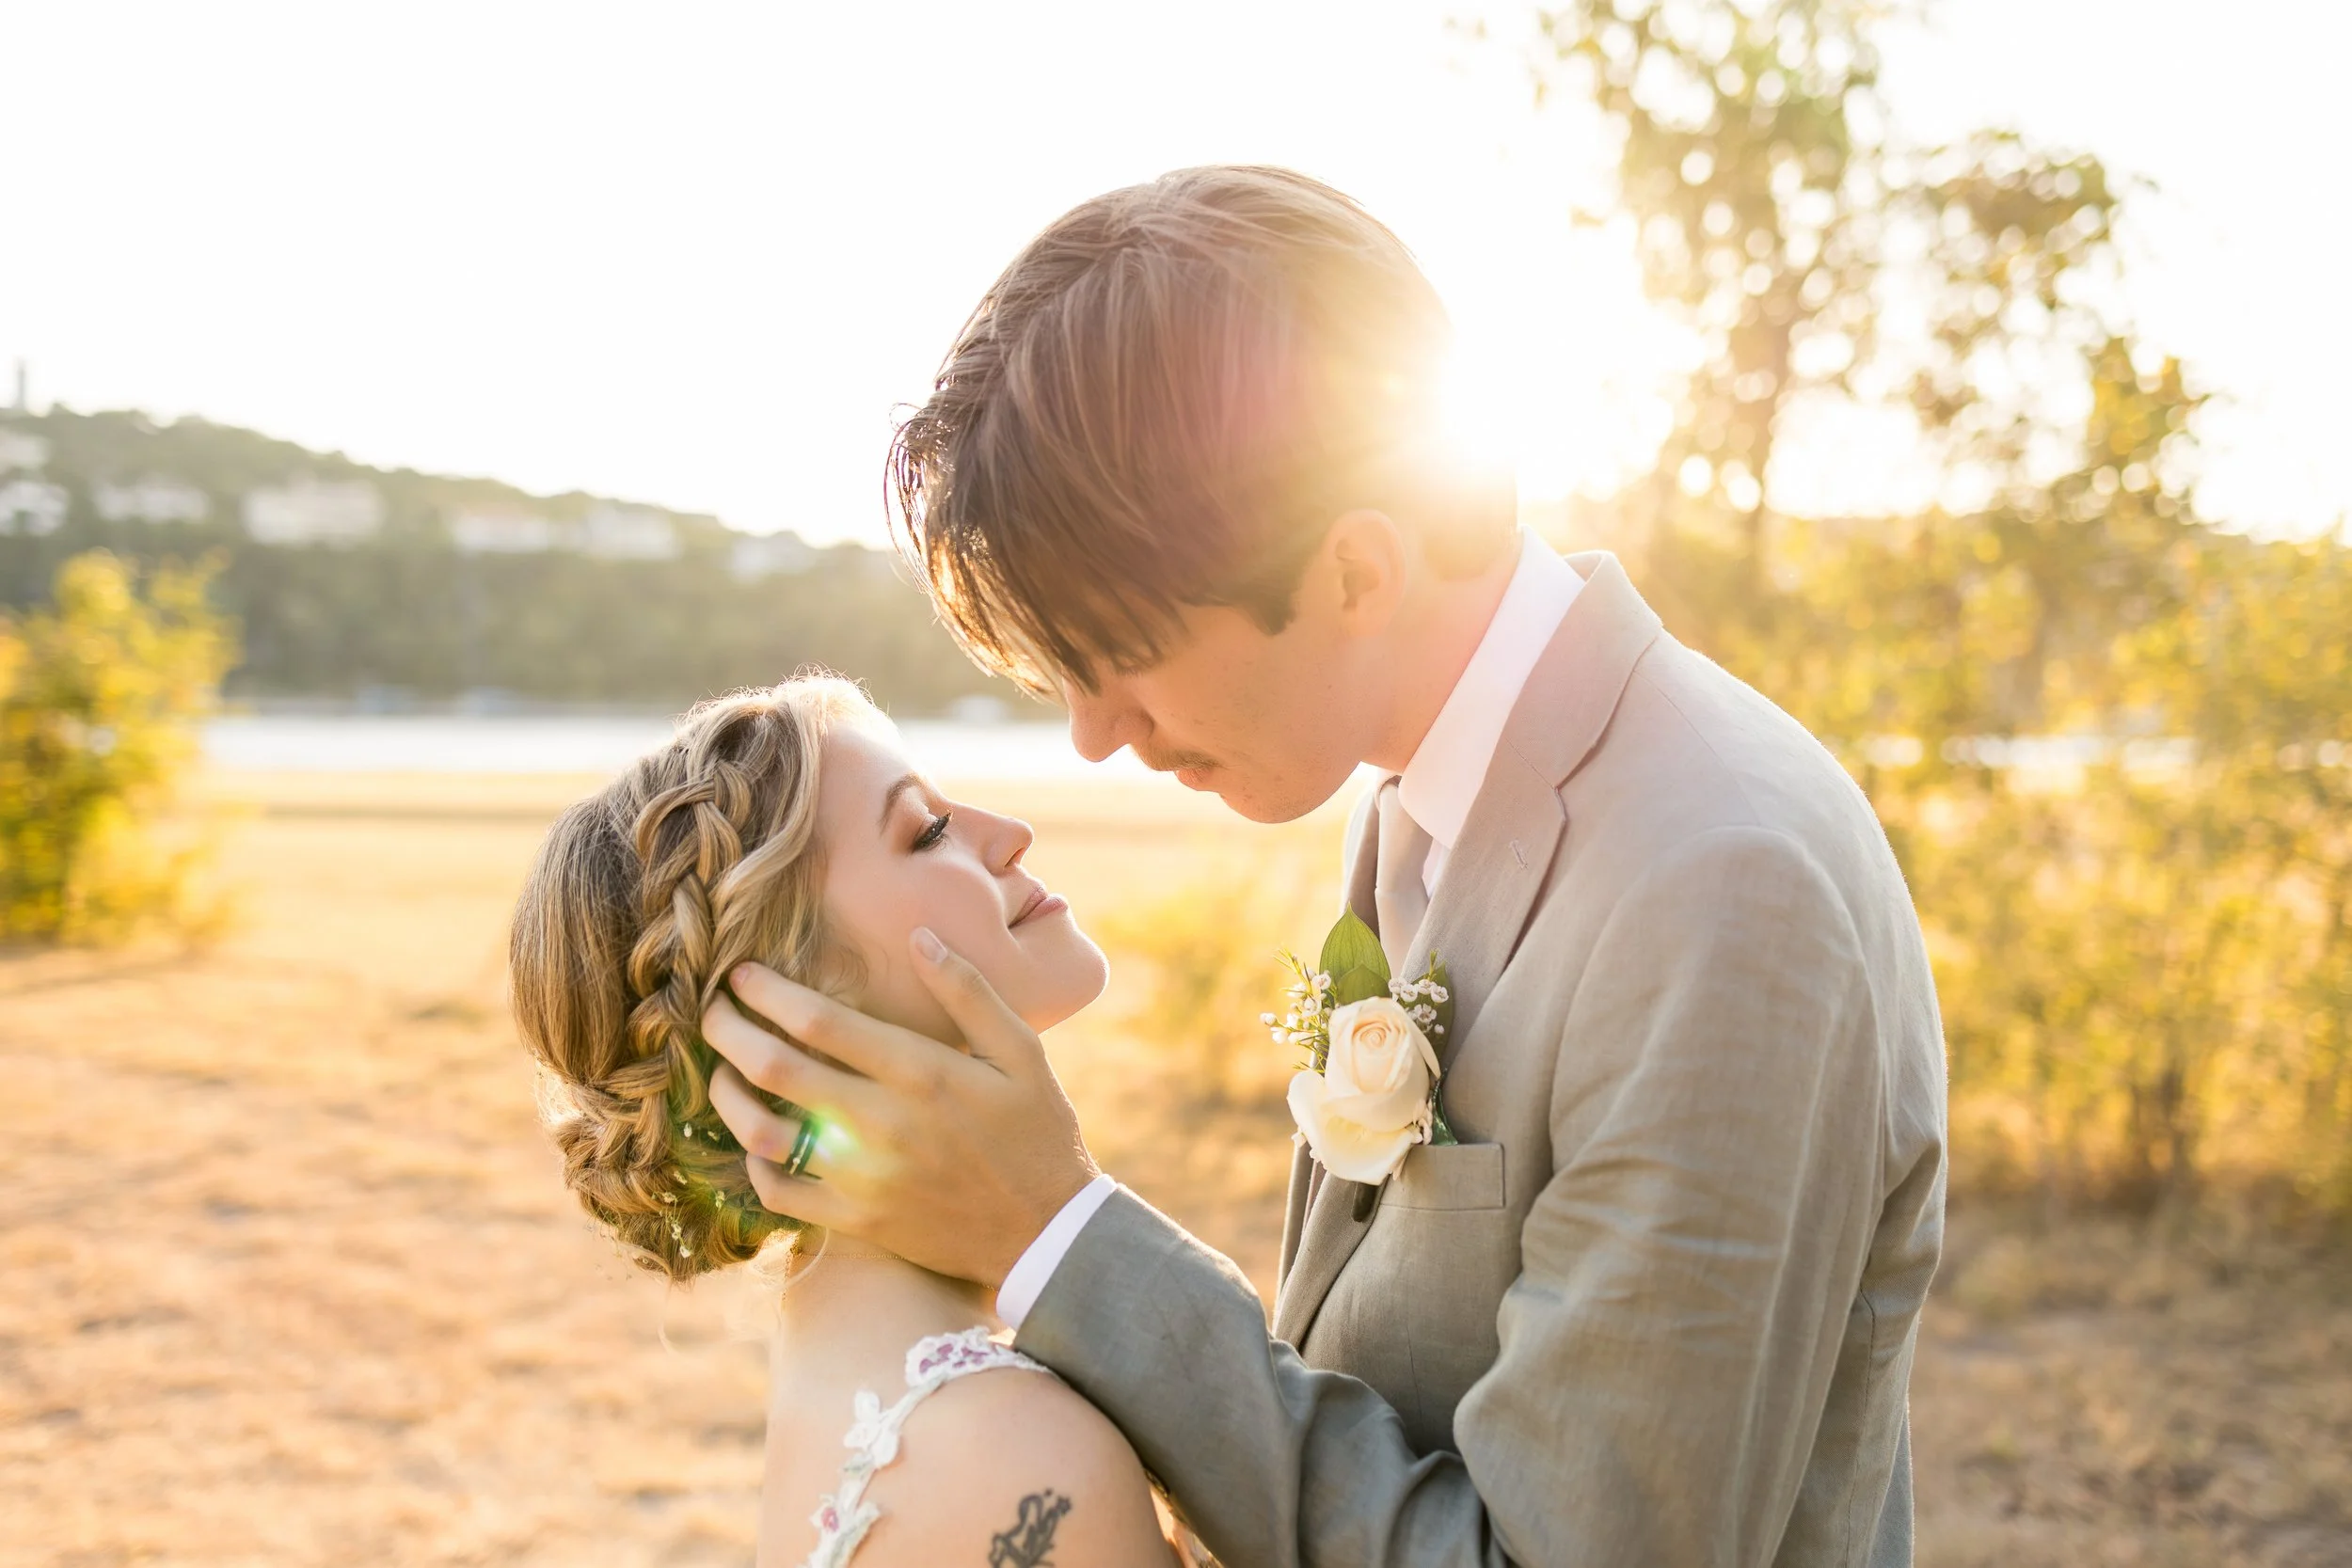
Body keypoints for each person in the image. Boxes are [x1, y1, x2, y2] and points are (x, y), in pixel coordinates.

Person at [698, 166, 1950, 1567]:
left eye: (1120, 657)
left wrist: (1059, 1232)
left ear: (1357, 572)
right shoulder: (1418, 793)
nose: (1097, 735)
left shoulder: (1719, 889)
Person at [507, 677, 1177, 1568]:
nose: (1009, 834)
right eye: (926, 830)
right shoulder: (1015, 1457)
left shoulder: (845, 1374)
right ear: (788, 1003)